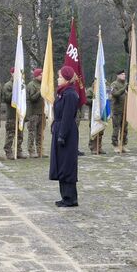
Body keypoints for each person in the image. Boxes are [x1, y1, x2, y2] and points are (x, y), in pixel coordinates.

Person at [49, 65, 79, 207]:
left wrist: (62, 134)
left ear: (66, 79)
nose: (57, 79)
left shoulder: (70, 94)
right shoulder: (62, 93)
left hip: (67, 132)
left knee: (67, 164)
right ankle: (64, 196)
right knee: (61, 163)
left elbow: (67, 116)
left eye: (60, 76)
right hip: (60, 129)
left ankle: (70, 198)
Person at [3, 68, 26, 160]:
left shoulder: (22, 84)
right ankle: (8, 151)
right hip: (12, 114)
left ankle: (18, 150)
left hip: (20, 114)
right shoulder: (8, 85)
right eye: (14, 73)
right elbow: (7, 99)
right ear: (11, 73)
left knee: (20, 134)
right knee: (10, 134)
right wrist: (15, 92)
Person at [27, 68, 46, 158]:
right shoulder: (31, 85)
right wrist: (40, 92)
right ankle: (31, 151)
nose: (42, 76)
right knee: (32, 132)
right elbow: (32, 98)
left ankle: (40, 150)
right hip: (33, 113)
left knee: (40, 133)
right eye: (41, 74)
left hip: (42, 113)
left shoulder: (44, 84)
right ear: (36, 75)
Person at [110, 70, 128, 153]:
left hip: (124, 110)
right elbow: (115, 94)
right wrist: (124, 88)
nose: (124, 75)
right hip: (117, 110)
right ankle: (115, 145)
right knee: (116, 128)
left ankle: (123, 144)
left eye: (124, 74)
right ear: (118, 75)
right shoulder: (114, 84)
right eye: (122, 74)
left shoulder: (125, 84)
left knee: (124, 129)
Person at [86, 84, 105, 154]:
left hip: (101, 113)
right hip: (93, 114)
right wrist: (95, 101)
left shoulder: (102, 90)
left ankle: (99, 147)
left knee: (101, 130)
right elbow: (86, 101)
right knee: (94, 130)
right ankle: (93, 147)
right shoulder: (90, 90)